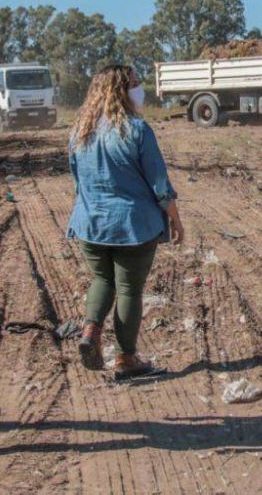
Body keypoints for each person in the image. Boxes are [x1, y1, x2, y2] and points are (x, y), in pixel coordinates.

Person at [67, 64, 184, 380]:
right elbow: (160, 185)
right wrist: (175, 219)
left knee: (102, 279)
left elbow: (78, 181)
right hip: (133, 225)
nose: (139, 89)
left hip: (90, 223)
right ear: (120, 91)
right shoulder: (138, 130)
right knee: (129, 289)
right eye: (134, 83)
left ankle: (90, 331)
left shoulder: (79, 132)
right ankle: (125, 358)